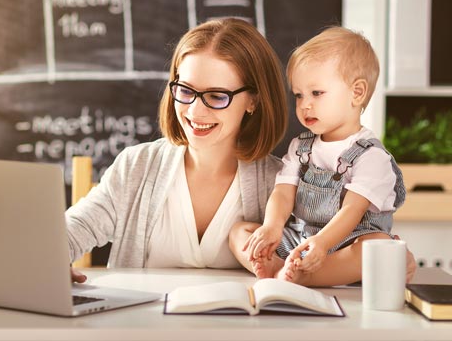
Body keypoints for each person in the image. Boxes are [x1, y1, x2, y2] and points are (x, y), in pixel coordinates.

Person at [66, 17, 289, 275]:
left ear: (253, 101)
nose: (195, 110)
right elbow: (73, 230)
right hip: (141, 317)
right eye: (185, 90)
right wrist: (50, 260)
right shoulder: (137, 166)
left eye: (216, 96)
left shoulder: (280, 184)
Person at [229, 26, 408, 287]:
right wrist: (272, 227)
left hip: (344, 244)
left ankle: (304, 276)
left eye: (317, 93)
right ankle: (280, 265)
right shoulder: (301, 147)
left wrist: (322, 244)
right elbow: (283, 192)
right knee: (239, 232)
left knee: (378, 245)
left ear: (356, 93)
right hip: (301, 239)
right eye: (299, 95)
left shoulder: (372, 157)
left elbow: (352, 210)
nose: (304, 105)